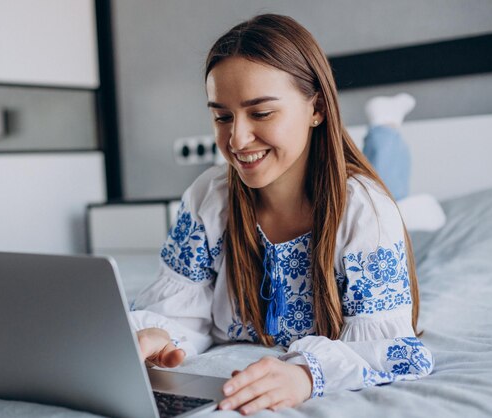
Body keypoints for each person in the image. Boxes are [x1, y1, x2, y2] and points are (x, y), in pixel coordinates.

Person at [130, 14, 434, 414]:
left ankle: (387, 126)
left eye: (261, 113)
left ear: (317, 109)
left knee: (401, 199)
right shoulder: (209, 195)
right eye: (222, 117)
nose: (236, 140)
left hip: (369, 202)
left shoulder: (365, 210)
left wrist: (308, 375)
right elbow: (185, 313)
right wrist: (159, 335)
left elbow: (395, 351)